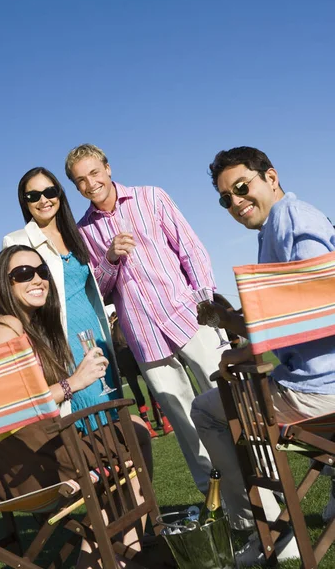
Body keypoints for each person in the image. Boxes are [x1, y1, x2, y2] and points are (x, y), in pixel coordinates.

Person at [190, 146, 335, 565]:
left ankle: (269, 529)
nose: (235, 202)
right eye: (225, 198)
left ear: (270, 177)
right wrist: (237, 329)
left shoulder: (295, 221)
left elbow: (314, 311)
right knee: (240, 392)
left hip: (318, 392)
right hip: (312, 379)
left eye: (241, 187)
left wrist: (232, 325)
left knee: (208, 410)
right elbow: (292, 321)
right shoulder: (279, 225)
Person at [65, 143, 228, 494]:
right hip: (143, 337)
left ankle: (259, 483)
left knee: (226, 400)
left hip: (190, 317)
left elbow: (190, 248)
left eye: (94, 172)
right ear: (76, 188)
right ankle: (215, 499)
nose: (90, 183)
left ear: (108, 168)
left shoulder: (151, 197)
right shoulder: (82, 233)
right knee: (184, 422)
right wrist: (108, 259)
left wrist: (205, 302)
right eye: (80, 180)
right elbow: (100, 292)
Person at [0, 245, 152, 569]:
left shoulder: (10, 327)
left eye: (42, 271)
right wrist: (75, 382)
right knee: (134, 432)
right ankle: (130, 547)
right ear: (4, 282)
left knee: (123, 452)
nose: (38, 279)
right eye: (24, 274)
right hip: (31, 466)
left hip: (36, 456)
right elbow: (12, 406)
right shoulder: (5, 331)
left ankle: (117, 551)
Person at [3, 168, 120, 430]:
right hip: (60, 339)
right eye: (33, 195)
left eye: (49, 191)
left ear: (60, 194)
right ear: (25, 202)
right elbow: (15, 298)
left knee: (112, 405)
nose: (43, 200)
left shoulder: (78, 234)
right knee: (87, 413)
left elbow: (95, 285)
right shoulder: (17, 241)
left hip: (95, 333)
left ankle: (121, 465)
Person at [109, 311, 174, 438]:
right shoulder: (126, 321)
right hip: (136, 354)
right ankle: (166, 422)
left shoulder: (114, 332)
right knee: (152, 388)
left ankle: (148, 426)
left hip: (123, 359)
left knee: (137, 392)